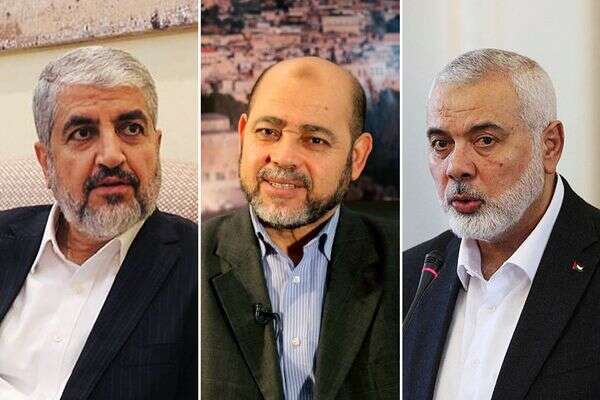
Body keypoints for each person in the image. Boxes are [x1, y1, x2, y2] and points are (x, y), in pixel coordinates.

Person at [0, 46, 197, 399]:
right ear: (46, 162)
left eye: (131, 129)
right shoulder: (5, 237)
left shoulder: (201, 265)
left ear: (156, 145)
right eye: (82, 133)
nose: (111, 156)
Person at [404, 48, 600, 400]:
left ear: (550, 146)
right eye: (441, 144)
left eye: (485, 141)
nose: (456, 167)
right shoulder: (411, 277)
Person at [202, 57, 399, 399]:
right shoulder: (187, 262)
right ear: (243, 135)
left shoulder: (409, 266)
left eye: (315, 140)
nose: (283, 157)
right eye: (268, 132)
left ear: (357, 157)